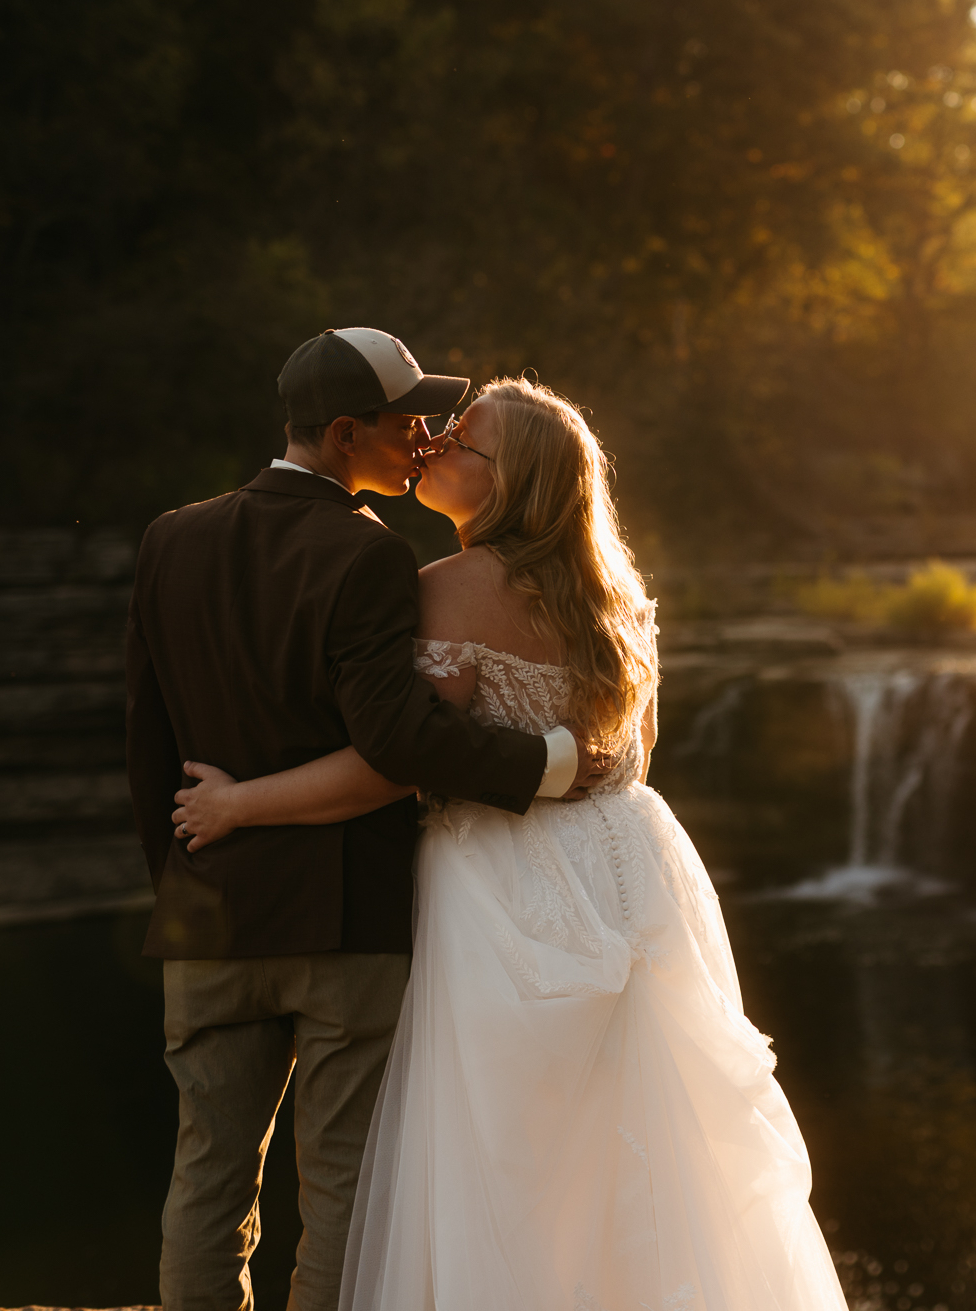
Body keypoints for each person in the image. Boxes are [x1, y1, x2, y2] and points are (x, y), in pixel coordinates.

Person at [169, 377, 847, 1311]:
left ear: (508, 480)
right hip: (628, 866)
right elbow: (629, 758)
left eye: (461, 439)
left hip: (498, 879)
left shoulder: (444, 589)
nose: (434, 442)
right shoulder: (618, 595)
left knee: (506, 1152)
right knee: (633, 1133)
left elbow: (395, 761)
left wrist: (243, 803)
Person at [125, 329, 611, 1311]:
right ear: (346, 433)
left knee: (206, 1179)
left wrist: (184, 881)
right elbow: (401, 740)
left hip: (208, 914)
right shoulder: (367, 555)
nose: (424, 438)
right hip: (344, 919)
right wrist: (551, 764)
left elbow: (149, 743)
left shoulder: (170, 536)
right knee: (341, 1180)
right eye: (406, 421)